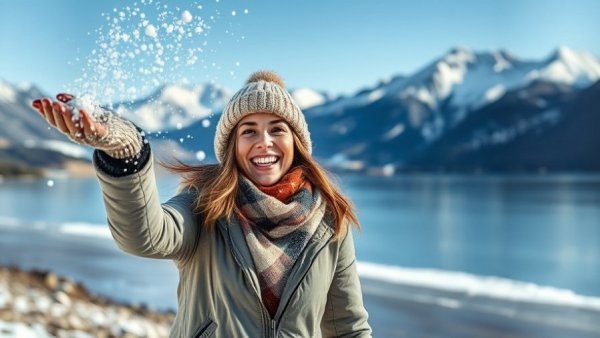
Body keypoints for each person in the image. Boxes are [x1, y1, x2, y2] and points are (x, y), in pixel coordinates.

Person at [32, 71, 372, 337]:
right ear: (231, 147)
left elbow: (347, 326)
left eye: (277, 130)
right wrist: (126, 150)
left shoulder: (329, 222)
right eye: (249, 131)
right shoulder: (205, 206)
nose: (264, 142)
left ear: (296, 143)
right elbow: (146, 235)